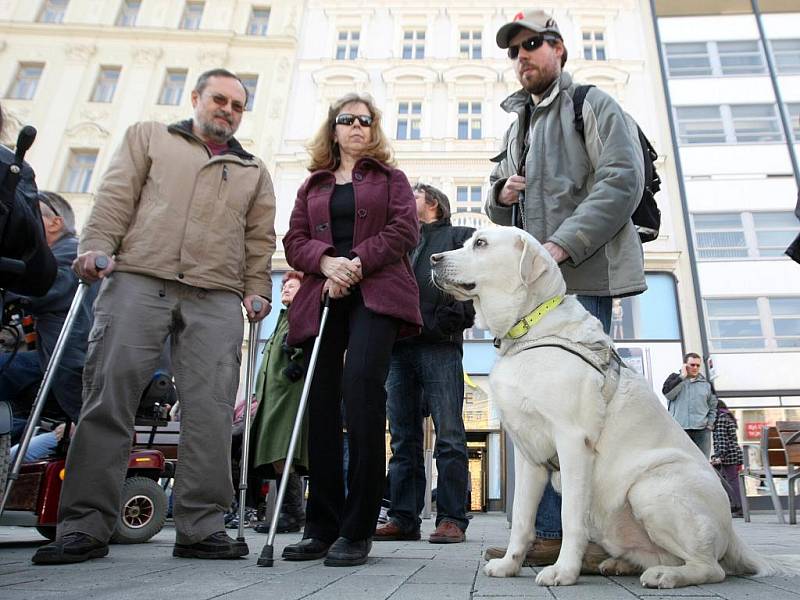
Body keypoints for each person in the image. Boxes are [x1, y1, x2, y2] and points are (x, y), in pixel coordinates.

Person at [32, 68, 276, 565]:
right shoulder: (150, 137)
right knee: (109, 397)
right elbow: (117, 194)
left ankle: (202, 526)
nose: (227, 109)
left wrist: (258, 290)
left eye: (237, 104)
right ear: (196, 98)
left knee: (209, 410)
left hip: (215, 293)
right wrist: (98, 245)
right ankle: (84, 526)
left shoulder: (254, 170)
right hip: (140, 278)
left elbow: (259, 239)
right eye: (219, 99)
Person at [482, 10, 646, 569]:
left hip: (580, 281)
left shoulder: (591, 104)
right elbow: (501, 205)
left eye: (532, 45)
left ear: (559, 50)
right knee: (537, 413)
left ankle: (581, 531)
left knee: (578, 415)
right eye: (513, 50)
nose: (522, 56)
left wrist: (563, 245)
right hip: (531, 296)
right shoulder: (517, 124)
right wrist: (497, 196)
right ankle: (549, 534)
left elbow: (623, 178)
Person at [280, 92, 421, 567]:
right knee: (319, 402)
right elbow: (294, 240)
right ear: (333, 128)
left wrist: (355, 264)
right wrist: (325, 262)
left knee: (361, 391)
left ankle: (358, 528)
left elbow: (405, 230)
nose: (358, 126)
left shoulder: (391, 179)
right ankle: (320, 525)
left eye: (367, 119)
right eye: (348, 119)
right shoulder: (313, 185)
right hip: (323, 295)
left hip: (376, 292)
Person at [375, 183, 474, 544]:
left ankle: (451, 518)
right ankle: (403, 517)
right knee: (402, 438)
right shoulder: (398, 240)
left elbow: (477, 277)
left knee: (449, 434)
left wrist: (453, 318)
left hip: (439, 346)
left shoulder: (459, 235)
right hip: (398, 346)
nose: (403, 198)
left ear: (433, 202)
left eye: (412, 194)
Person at [1, 192, 94, 440]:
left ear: (55, 222)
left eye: (30, 215)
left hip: (67, 362)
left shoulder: (66, 254)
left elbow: (36, 291)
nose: (20, 223)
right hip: (59, 359)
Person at [250, 270, 309, 535]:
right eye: (284, 287)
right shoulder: (282, 319)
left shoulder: (300, 316)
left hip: (287, 396)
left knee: (282, 452)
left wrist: (295, 366)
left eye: (292, 286)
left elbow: (304, 347)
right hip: (272, 396)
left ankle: (293, 513)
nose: (285, 290)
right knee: (276, 455)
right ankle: (290, 512)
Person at [663, 352, 718, 457]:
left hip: (702, 432)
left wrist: (710, 424)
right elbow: (668, 395)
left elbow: (714, 406)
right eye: (692, 365)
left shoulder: (706, 385)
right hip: (680, 430)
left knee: (702, 463)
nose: (695, 367)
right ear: (684, 365)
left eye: (698, 365)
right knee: (680, 461)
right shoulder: (674, 379)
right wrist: (682, 377)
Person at [711, 400, 744, 518]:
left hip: (728, 456)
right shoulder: (727, 416)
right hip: (733, 454)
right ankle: (737, 506)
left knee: (731, 482)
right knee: (732, 481)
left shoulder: (720, 419)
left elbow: (722, 439)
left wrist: (720, 456)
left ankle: (738, 507)